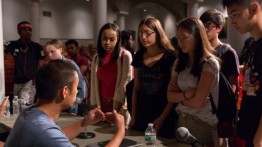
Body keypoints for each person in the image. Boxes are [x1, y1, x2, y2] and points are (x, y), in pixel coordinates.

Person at [4, 60, 125, 147]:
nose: (77, 92)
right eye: (76, 88)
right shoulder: (43, 130)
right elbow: (49, 136)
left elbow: (56, 137)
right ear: (65, 91)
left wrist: (85, 122)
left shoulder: (29, 113)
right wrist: (120, 132)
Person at [167, 17, 220, 146]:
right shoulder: (179, 62)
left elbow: (198, 102)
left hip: (202, 123)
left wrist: (179, 97)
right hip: (181, 121)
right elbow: (169, 96)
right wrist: (187, 95)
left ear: (197, 37)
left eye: (185, 37)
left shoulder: (209, 63)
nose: (180, 42)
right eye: (178, 38)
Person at [221, 0, 262, 146]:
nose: (232, 22)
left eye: (235, 15)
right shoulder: (251, 44)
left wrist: (260, 137)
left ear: (253, 8)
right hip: (246, 126)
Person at [130, 17, 177, 138]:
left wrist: (162, 118)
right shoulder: (139, 55)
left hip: (162, 111)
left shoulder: (170, 56)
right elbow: (136, 89)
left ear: (158, 32)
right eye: (140, 33)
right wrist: (133, 115)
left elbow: (173, 91)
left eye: (147, 33)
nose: (143, 37)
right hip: (142, 111)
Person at [90, 23, 133, 120]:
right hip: (101, 103)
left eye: (111, 39)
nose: (107, 42)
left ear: (118, 40)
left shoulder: (125, 55)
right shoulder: (97, 58)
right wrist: (95, 105)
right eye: (104, 39)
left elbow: (127, 82)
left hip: (118, 105)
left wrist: (121, 107)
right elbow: (94, 82)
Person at [4, 21, 45, 105]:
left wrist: (37, 78)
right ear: (18, 31)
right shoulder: (11, 44)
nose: (27, 31)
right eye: (24, 29)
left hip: (30, 81)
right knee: (16, 105)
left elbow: (42, 65)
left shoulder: (37, 47)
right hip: (16, 80)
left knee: (26, 105)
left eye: (30, 29)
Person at [200, 9, 239, 93]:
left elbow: (233, 84)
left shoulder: (228, 52)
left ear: (219, 28)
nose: (204, 30)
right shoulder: (198, 50)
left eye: (207, 26)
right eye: (202, 27)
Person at [45, 39, 86, 115]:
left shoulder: (70, 65)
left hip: (70, 107)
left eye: (52, 52)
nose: (50, 55)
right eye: (48, 53)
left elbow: (81, 85)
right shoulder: (50, 66)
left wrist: (75, 103)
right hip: (55, 105)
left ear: (60, 50)